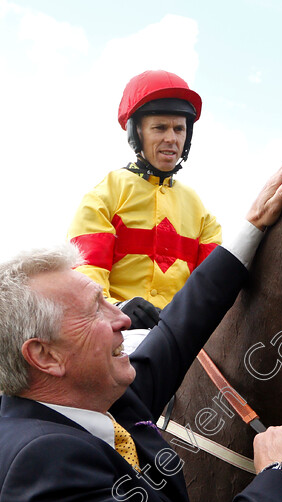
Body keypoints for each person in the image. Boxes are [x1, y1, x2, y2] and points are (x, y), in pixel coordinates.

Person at [0, 148, 282, 502]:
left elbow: (179, 331)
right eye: (97, 308)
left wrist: (252, 225)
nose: (123, 319)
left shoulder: (96, 405)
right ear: (45, 356)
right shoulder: (36, 464)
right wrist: (276, 475)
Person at [67, 70, 221, 343]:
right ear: (136, 133)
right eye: (160, 128)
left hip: (180, 338)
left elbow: (214, 285)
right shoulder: (104, 195)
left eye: (179, 129)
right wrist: (118, 308)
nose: (171, 139)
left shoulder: (201, 212)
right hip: (116, 332)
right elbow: (85, 272)